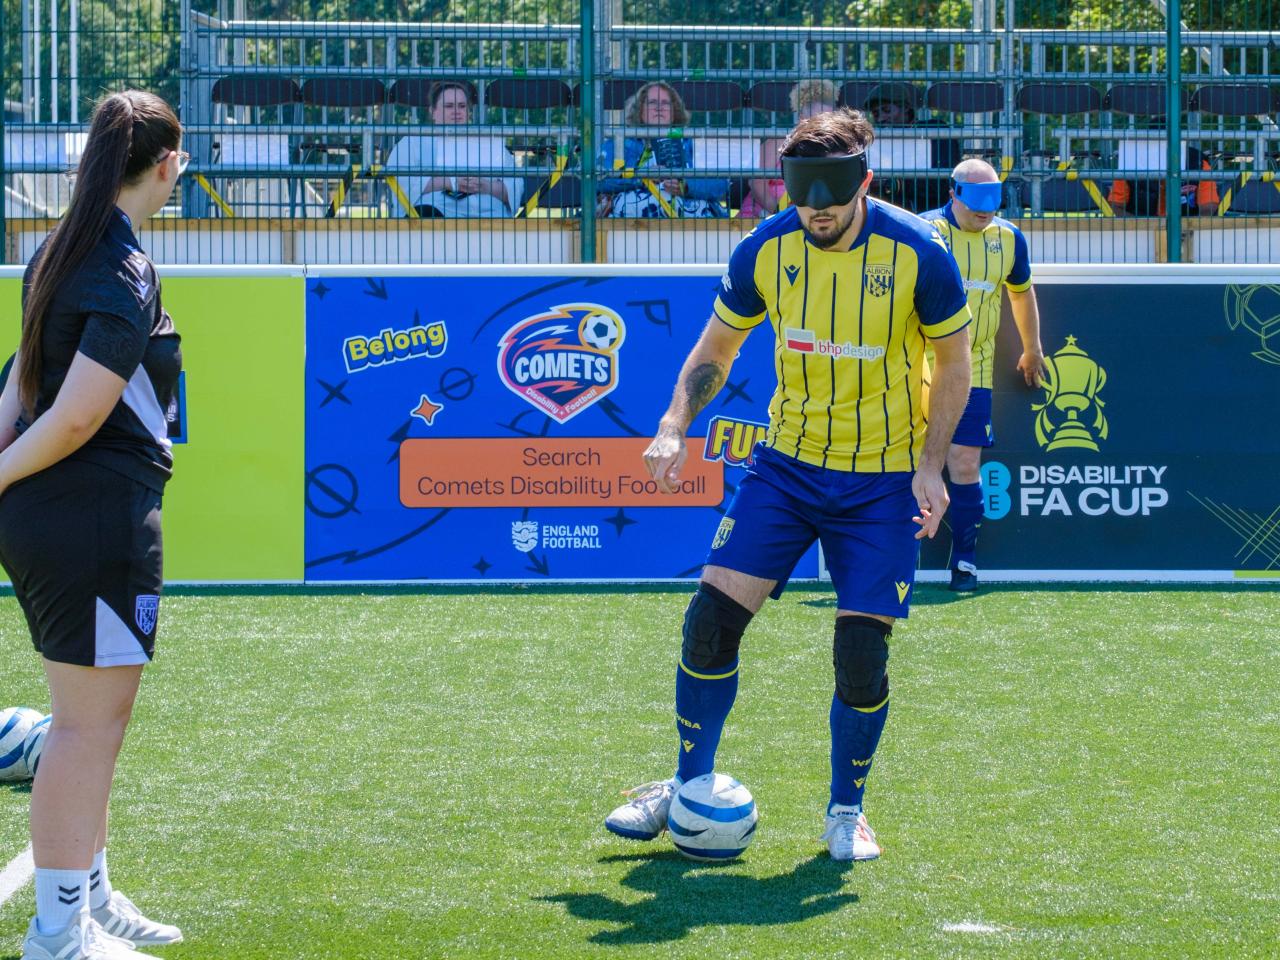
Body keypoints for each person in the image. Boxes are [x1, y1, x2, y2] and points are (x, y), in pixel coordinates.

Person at [604, 109, 973, 861]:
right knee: (709, 621)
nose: (817, 212)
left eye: (832, 197)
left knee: (861, 655)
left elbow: (957, 363)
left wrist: (932, 465)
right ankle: (687, 787)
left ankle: (846, 811)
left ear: (864, 183)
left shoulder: (921, 253)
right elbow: (718, 346)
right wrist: (675, 421)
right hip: (788, 466)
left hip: (881, 483)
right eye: (804, 196)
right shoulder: (765, 249)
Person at [0, 90, 185, 960]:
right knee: (83, 730)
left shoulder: (61, 250)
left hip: (60, 518)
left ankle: (91, 900)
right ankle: (58, 933)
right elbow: (71, 417)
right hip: (93, 517)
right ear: (162, 163)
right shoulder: (118, 266)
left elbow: (15, 393)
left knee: (90, 726)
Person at [920, 159, 1045, 592]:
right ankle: (888, 557)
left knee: (965, 462)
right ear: (953, 192)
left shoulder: (1009, 238)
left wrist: (1032, 349)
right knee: (895, 462)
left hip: (975, 369)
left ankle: (965, 559)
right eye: (977, 200)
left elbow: (1021, 292)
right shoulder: (925, 234)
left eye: (994, 200)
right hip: (917, 365)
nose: (986, 210)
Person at [385, 81, 521, 217]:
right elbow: (399, 180)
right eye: (449, 106)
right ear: (433, 111)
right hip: (438, 214)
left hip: (489, 215)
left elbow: (515, 184)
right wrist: (450, 182)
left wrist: (485, 186)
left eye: (462, 106)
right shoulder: (414, 141)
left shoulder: (487, 142)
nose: (456, 111)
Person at [597, 81, 730, 218]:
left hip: (691, 215)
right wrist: (641, 177)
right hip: (632, 219)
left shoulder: (691, 141)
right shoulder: (620, 142)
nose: (659, 108)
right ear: (639, 110)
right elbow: (599, 180)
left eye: (665, 103)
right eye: (652, 102)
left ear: (674, 112)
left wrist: (686, 186)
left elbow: (720, 183)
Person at [739, 78, 838, 218]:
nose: (822, 125)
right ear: (801, 117)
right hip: (765, 216)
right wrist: (782, 214)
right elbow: (757, 184)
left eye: (828, 120)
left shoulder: (833, 147)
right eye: (816, 119)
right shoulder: (779, 142)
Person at [866, 92, 961, 213]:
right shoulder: (876, 140)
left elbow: (940, 185)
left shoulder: (933, 131)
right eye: (875, 114)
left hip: (933, 211)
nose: (881, 118)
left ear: (905, 108)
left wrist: (892, 184)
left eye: (887, 110)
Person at [1107, 144, 1219, 217]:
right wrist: (1142, 228)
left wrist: (1185, 228)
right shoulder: (1130, 163)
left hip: (1185, 233)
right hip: (1138, 236)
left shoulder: (1198, 163)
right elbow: (1115, 207)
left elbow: (1208, 208)